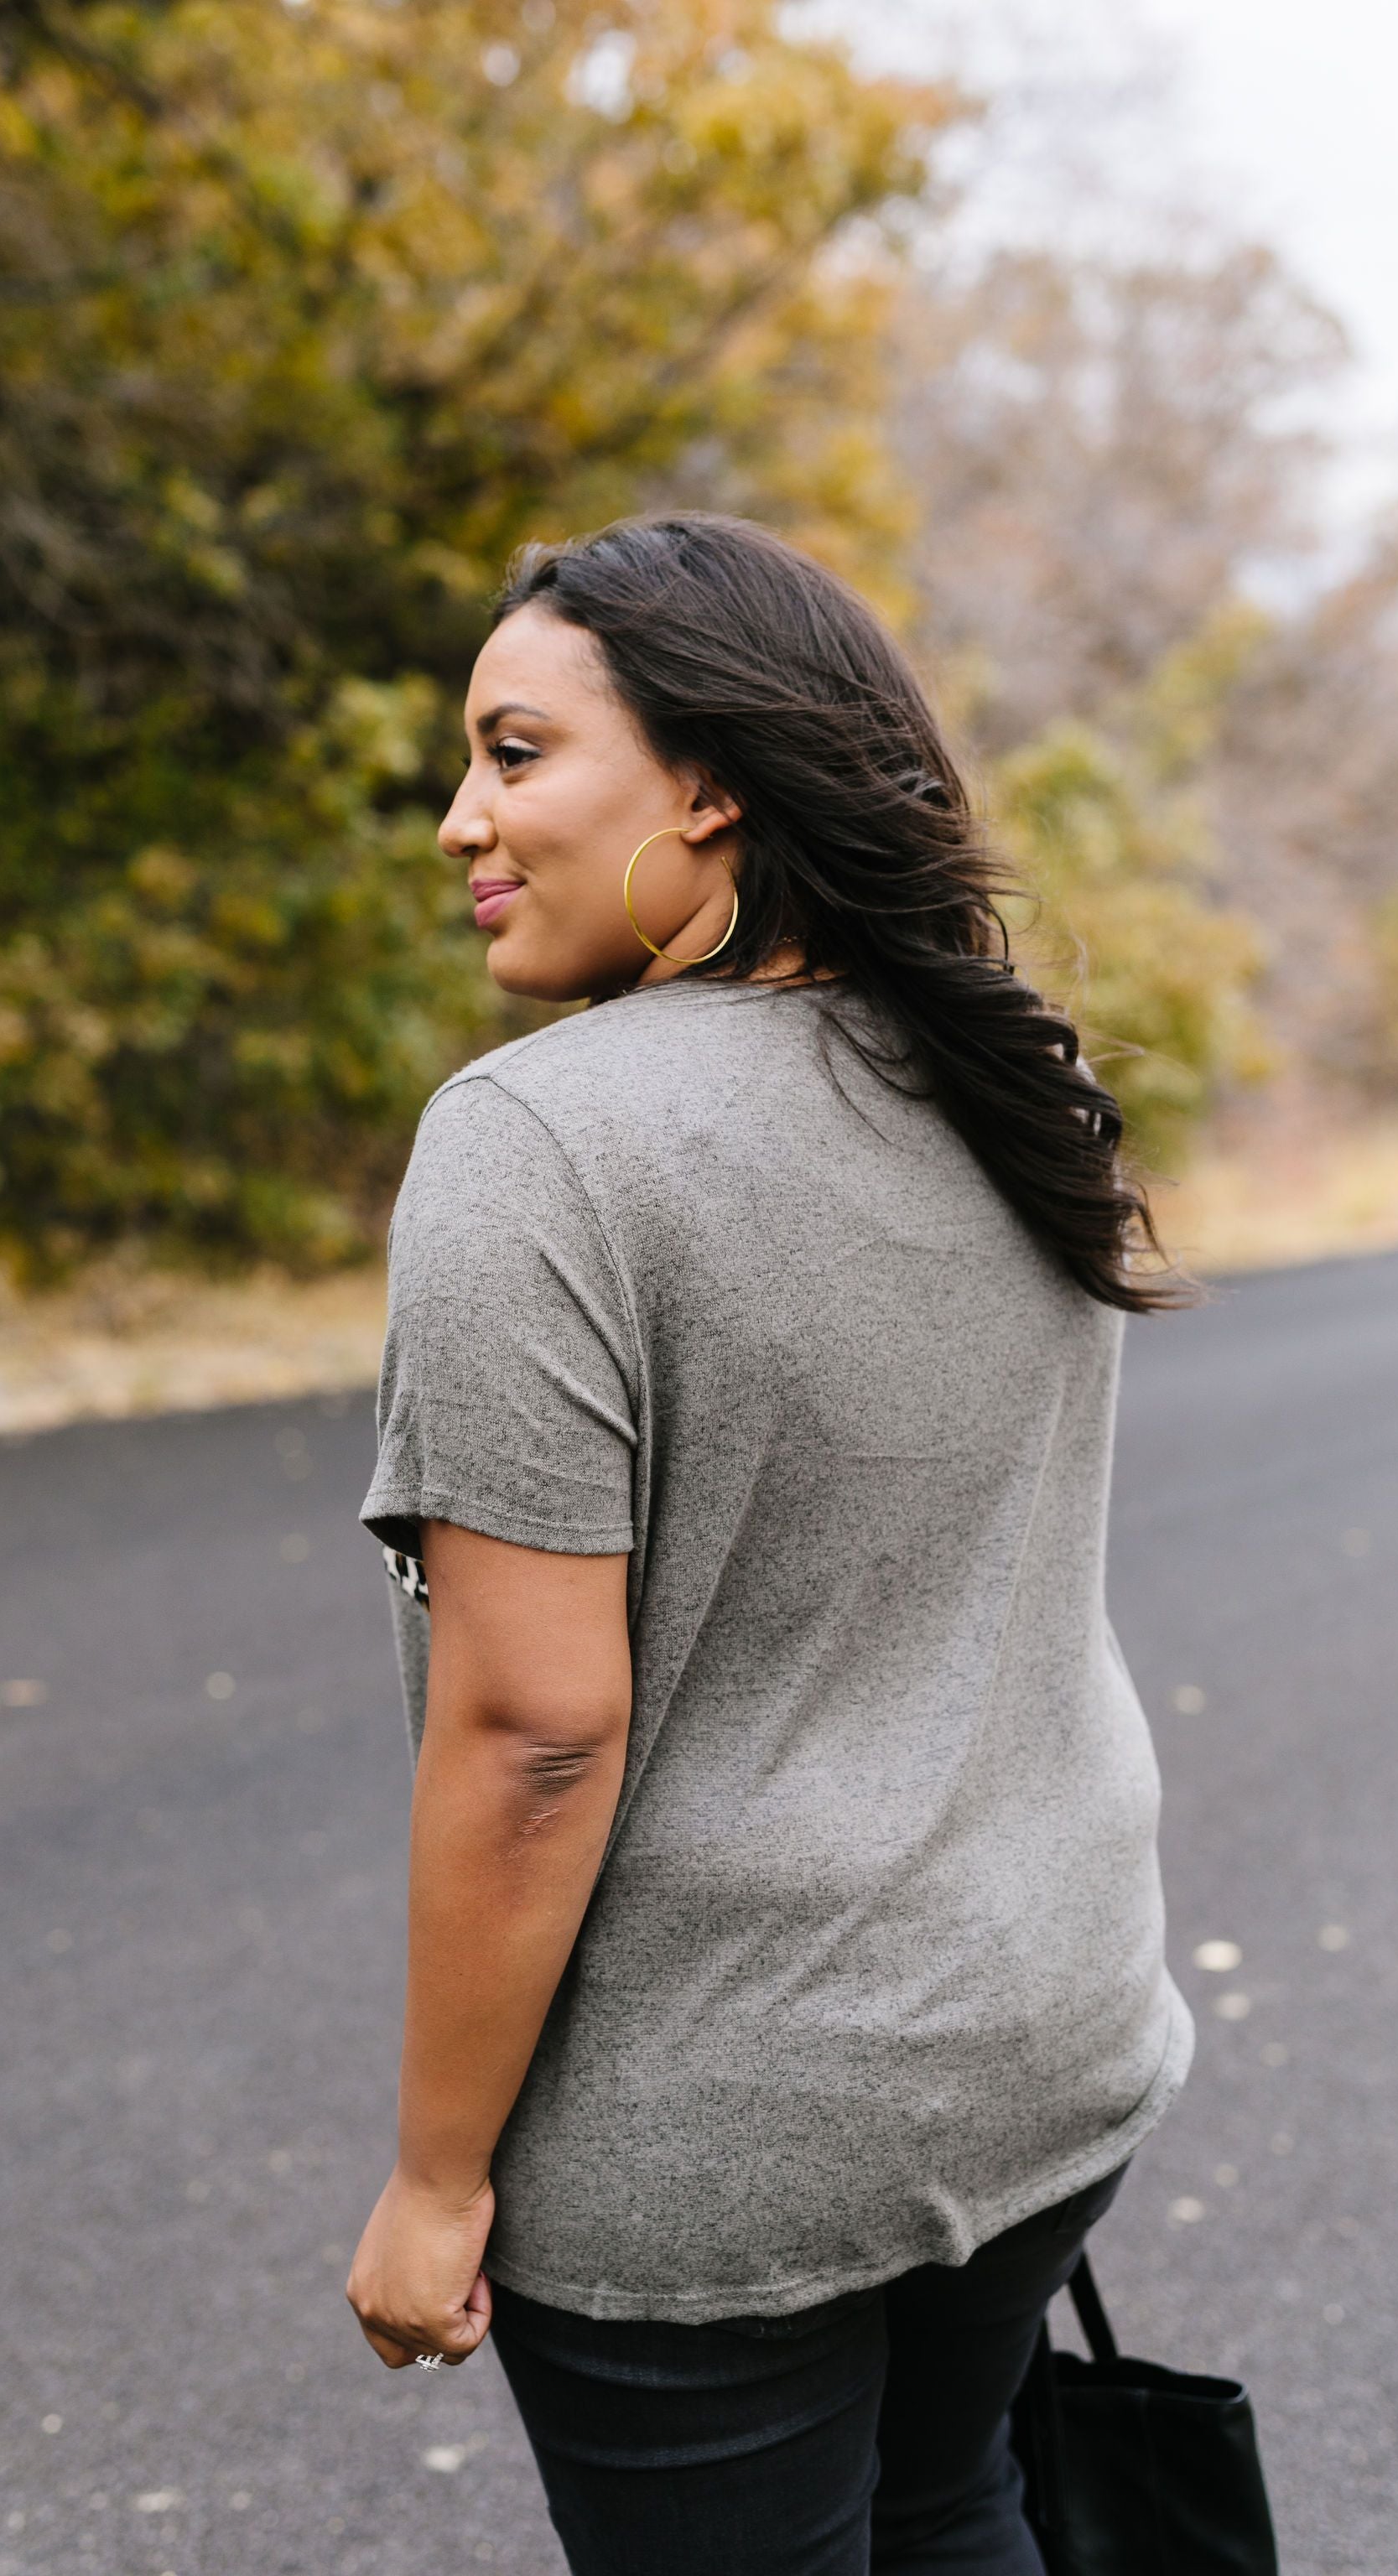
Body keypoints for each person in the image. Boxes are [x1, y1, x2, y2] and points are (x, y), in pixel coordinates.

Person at [346, 512, 1194, 2575]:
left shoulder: (536, 1143)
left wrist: (435, 2181)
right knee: (952, 2511)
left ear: (711, 782)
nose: (462, 818)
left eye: (519, 753)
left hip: (724, 2131)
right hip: (1047, 2025)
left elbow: (536, 1736)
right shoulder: (1012, 1076)